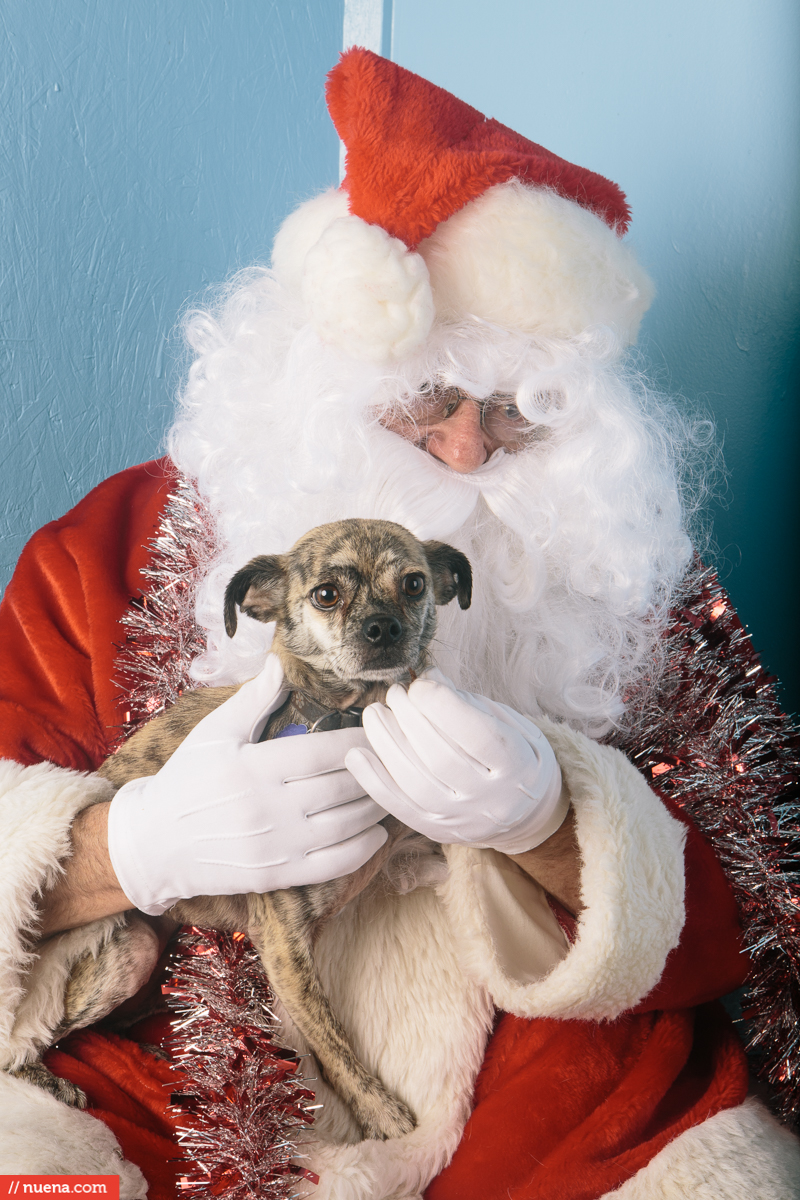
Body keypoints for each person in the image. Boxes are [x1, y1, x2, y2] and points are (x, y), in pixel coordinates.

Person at [0, 47, 798, 1199]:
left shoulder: (623, 577)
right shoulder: (108, 552)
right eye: (426, 401)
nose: (467, 454)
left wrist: (551, 824)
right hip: (168, 1089)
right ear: (317, 382)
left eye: (516, 416)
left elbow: (758, 927)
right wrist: (128, 849)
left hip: (533, 1096)